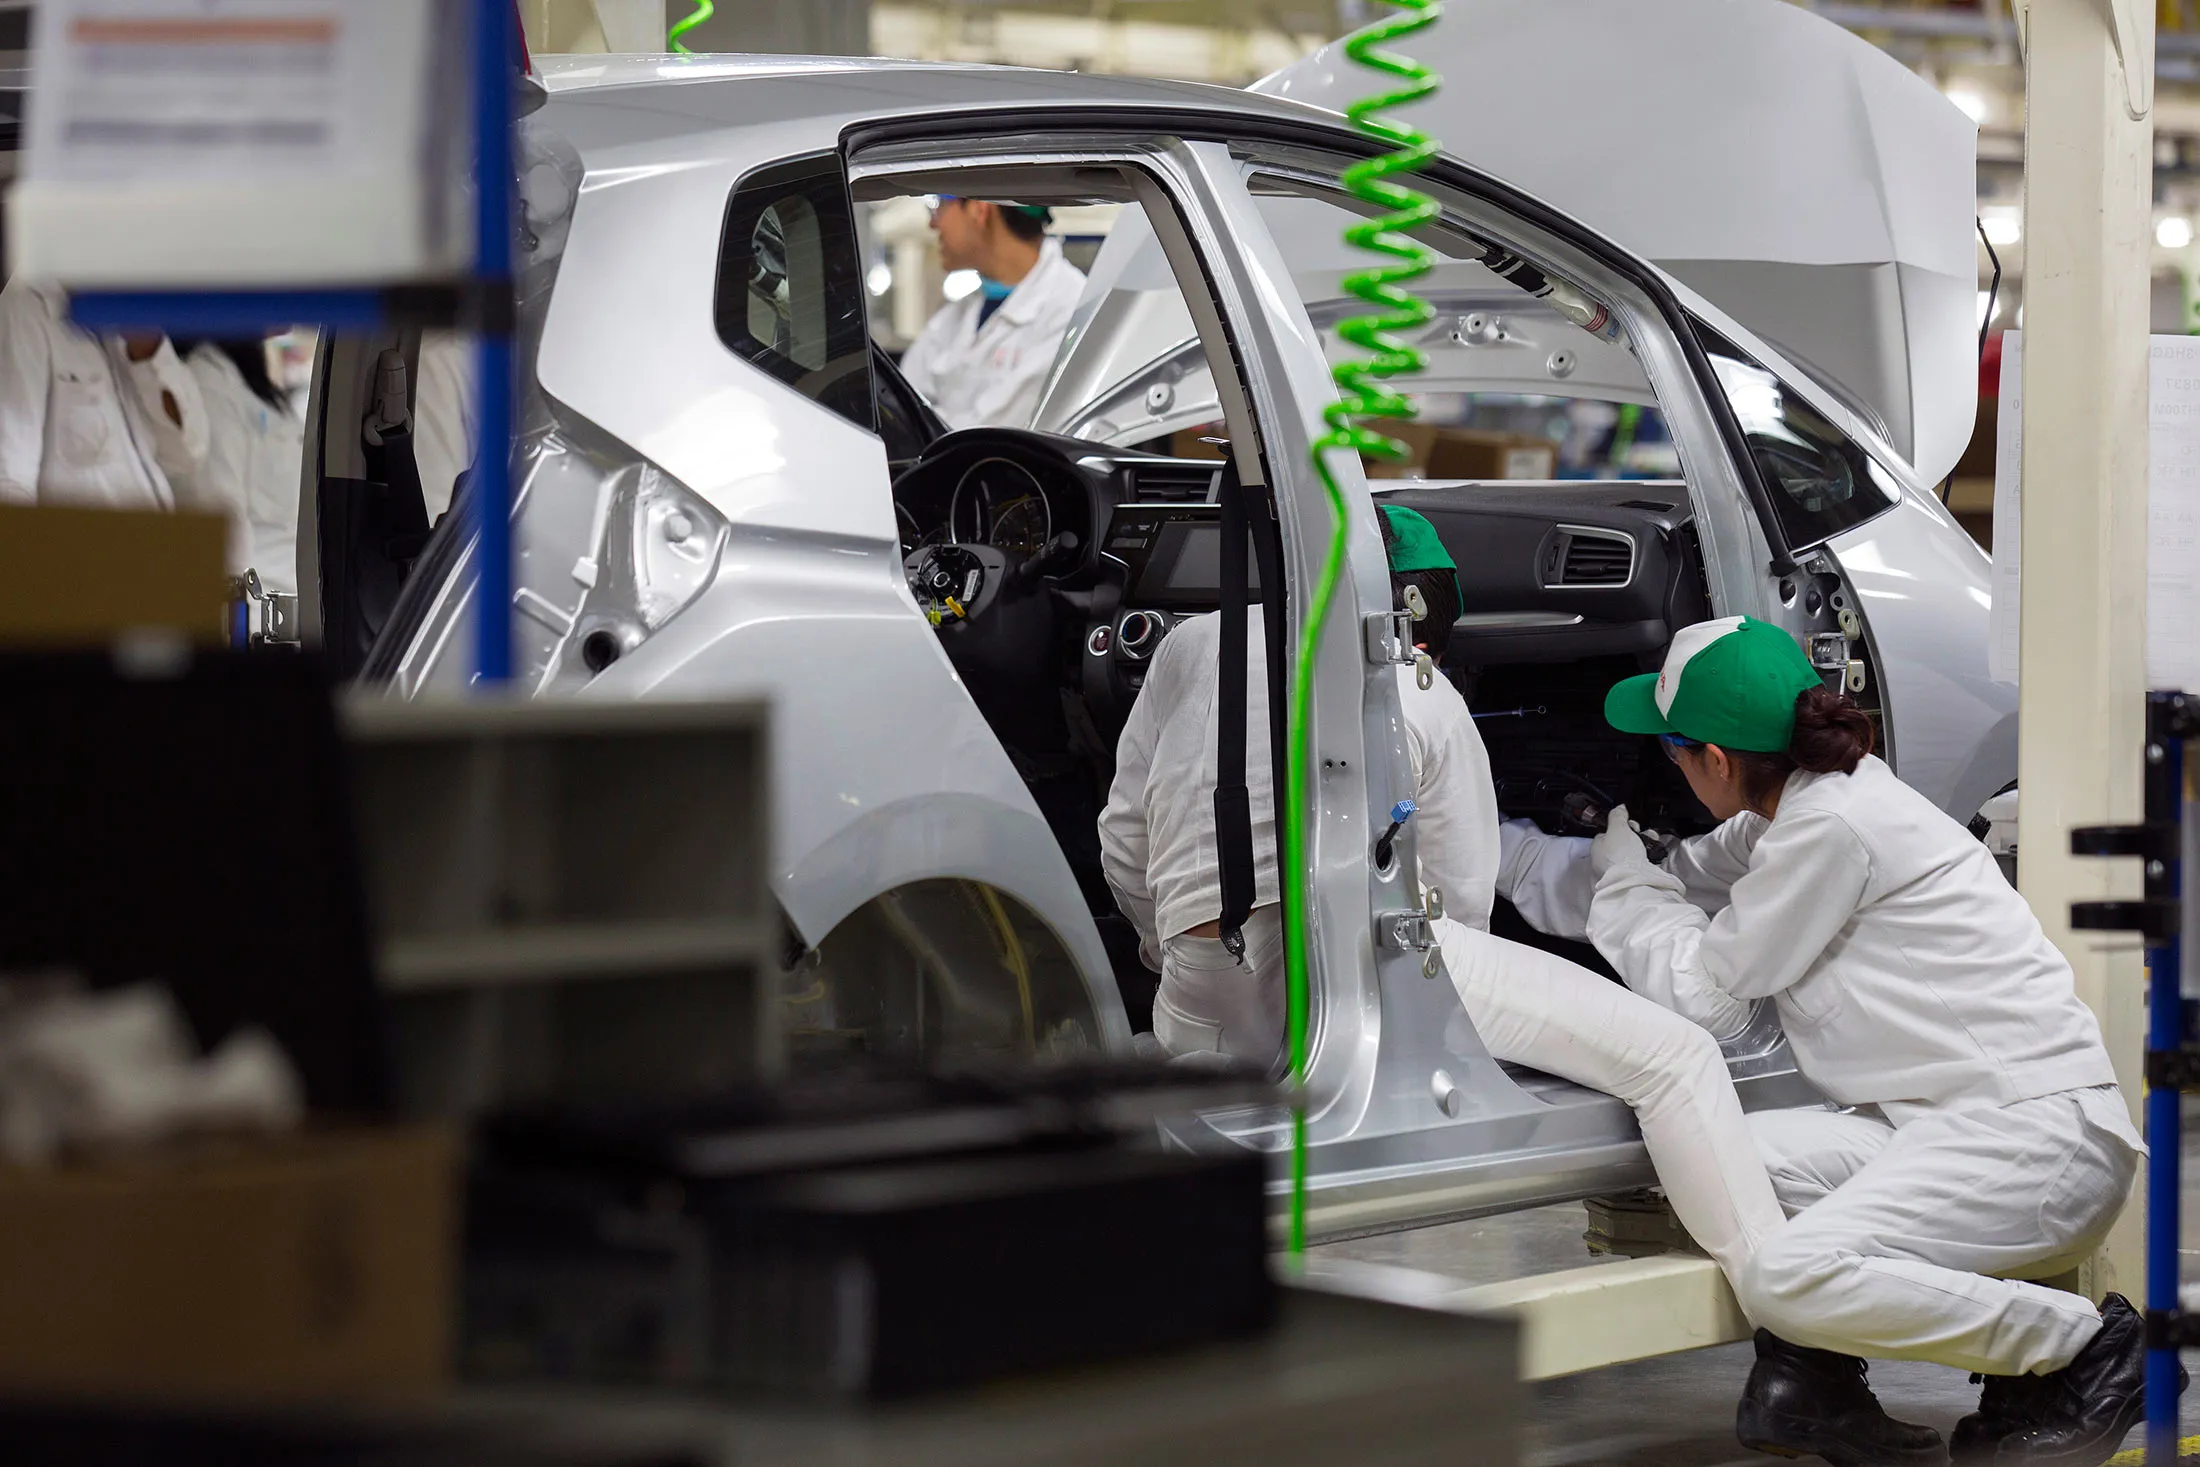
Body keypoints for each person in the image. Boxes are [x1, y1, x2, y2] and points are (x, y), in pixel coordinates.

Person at [1098, 505, 1787, 1292]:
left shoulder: (1191, 644)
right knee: (1676, 1058)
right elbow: (1459, 902)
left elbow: (1123, 839)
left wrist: (1177, 951)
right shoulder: (1415, 688)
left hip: (1200, 994)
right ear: (1417, 618)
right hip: (1348, 977)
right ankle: (1794, 1311)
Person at [1580, 614, 2156, 1467]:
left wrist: (1623, 891)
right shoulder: (1809, 805)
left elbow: (1711, 993)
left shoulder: (1831, 828)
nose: (1671, 765)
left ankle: (2087, 1343)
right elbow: (1709, 864)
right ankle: (1814, 1382)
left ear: (1718, 761)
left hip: (2037, 1142)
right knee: (1722, 1156)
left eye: (1671, 749)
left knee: (1787, 1275)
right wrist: (1614, 858)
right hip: (1948, 1123)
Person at [0, 278, 207, 511]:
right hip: (79, 544)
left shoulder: (124, 315)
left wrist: (147, 350)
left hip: (154, 540)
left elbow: (188, 454)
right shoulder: (23, 309)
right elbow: (10, 478)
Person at [899, 197, 1086, 430]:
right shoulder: (958, 313)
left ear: (979, 208)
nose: (933, 224)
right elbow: (899, 404)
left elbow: (989, 433)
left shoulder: (1070, 309)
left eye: (940, 206)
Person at [174, 338, 304, 593]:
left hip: (295, 602)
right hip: (261, 614)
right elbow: (218, 534)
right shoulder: (209, 385)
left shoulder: (253, 386)